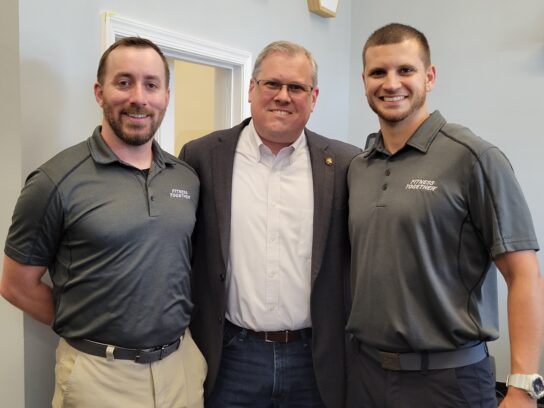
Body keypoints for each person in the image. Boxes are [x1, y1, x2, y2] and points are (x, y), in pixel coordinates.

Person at [0, 37, 206, 408]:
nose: (139, 97)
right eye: (123, 82)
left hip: (181, 369)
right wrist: (87, 325)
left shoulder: (185, 177)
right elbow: (16, 285)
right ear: (99, 92)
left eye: (151, 84)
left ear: (166, 96)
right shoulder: (54, 181)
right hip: (100, 376)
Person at [346, 22, 544, 408]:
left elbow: (524, 274)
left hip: (448, 382)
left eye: (405, 70)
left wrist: (522, 386)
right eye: (378, 72)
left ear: (429, 76)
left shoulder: (474, 158)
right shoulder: (359, 166)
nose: (391, 83)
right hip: (366, 376)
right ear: (364, 80)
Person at [179, 40, 360, 408]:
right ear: (251, 89)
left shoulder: (344, 164)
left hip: (314, 360)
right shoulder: (202, 156)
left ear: (314, 97)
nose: (283, 96)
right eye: (272, 84)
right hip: (232, 357)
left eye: (296, 88)